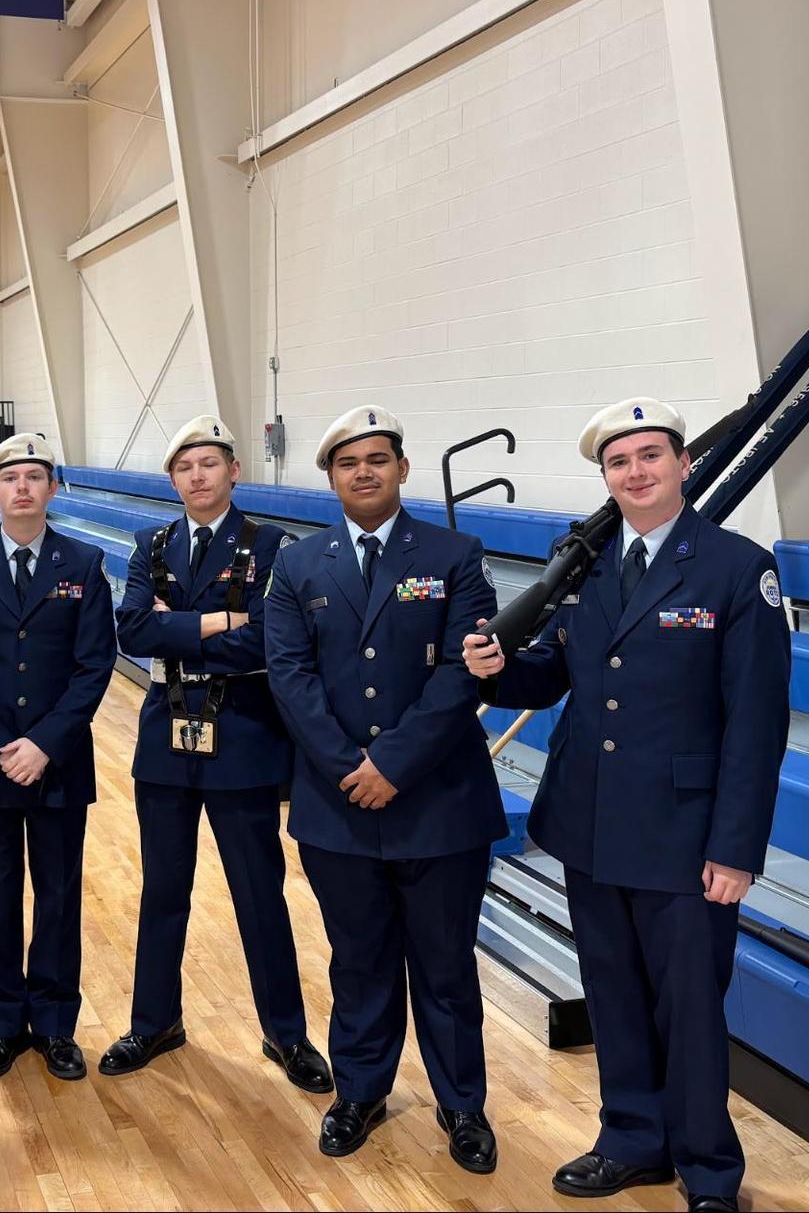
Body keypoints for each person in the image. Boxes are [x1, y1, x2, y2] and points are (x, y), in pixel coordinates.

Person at [462, 397, 790, 1213]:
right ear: (604, 476)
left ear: (683, 464)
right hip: (592, 822)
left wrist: (736, 846)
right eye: (619, 461)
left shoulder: (734, 568)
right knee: (611, 992)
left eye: (651, 455)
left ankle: (710, 1170)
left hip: (684, 835)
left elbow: (757, 721)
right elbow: (556, 677)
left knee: (689, 1008)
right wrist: (497, 666)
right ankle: (632, 1140)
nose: (636, 472)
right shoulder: (585, 565)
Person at [263, 406, 506, 1168]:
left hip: (438, 802)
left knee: (445, 962)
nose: (363, 471)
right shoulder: (298, 564)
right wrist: (348, 766)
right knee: (358, 959)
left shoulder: (456, 553)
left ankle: (462, 1103)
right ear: (329, 475)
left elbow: (463, 670)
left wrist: (392, 764)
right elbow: (290, 675)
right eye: (347, 461)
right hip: (337, 806)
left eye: (377, 458)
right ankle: (360, 1090)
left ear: (403, 468)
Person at [102, 415, 331, 1094]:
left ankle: (286, 1033)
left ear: (234, 471)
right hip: (167, 737)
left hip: (245, 736)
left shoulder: (273, 548)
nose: (198, 476)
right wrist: (214, 622)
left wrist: (180, 628)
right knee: (163, 890)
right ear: (172, 479)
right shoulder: (154, 543)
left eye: (210, 463)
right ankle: (155, 1020)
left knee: (260, 893)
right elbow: (134, 629)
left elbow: (266, 641)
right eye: (185, 466)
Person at [0, 433, 115, 1082]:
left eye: (36, 476)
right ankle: (2, 1024)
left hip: (59, 764)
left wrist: (45, 743)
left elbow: (94, 666)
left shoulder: (84, 563)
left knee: (59, 897)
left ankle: (56, 1025)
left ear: (52, 487)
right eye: (11, 478)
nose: (24, 487)